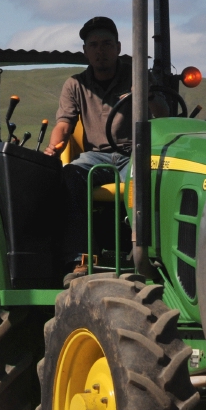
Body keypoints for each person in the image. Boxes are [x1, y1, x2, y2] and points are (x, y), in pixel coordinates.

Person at [42, 16, 167, 269]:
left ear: (119, 48)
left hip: (133, 153)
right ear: (86, 51)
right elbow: (64, 124)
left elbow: (163, 114)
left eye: (107, 44)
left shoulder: (137, 77)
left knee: (146, 178)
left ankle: (144, 254)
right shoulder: (75, 84)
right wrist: (52, 149)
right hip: (95, 156)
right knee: (70, 177)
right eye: (94, 45)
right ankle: (81, 257)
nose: (101, 51)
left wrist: (146, 91)